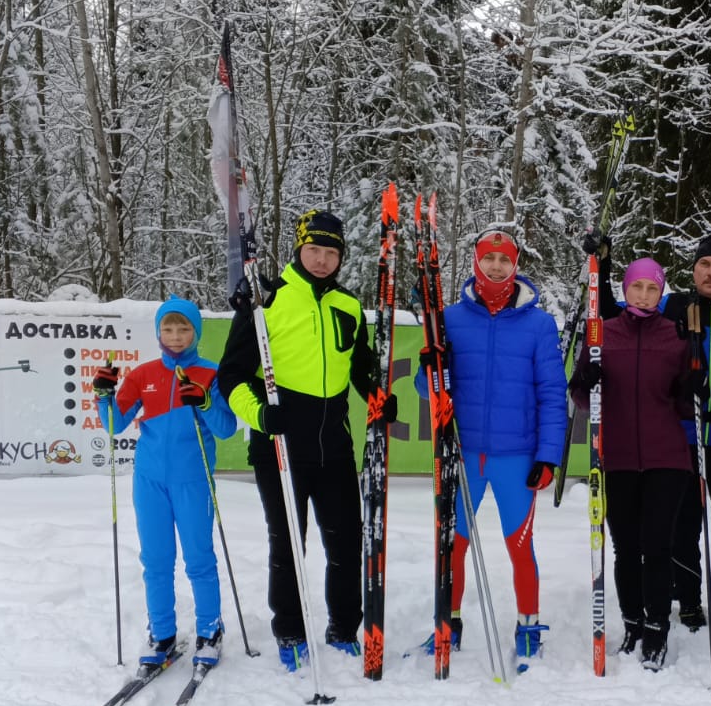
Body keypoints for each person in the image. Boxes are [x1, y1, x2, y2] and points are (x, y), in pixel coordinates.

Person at [218, 209, 383, 670]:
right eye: (315, 249)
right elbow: (230, 377)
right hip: (280, 442)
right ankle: (289, 630)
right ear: (299, 248)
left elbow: (358, 369)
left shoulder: (349, 306)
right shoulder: (266, 300)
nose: (323, 259)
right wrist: (261, 415)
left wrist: (376, 397)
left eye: (332, 252)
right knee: (290, 541)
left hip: (335, 441)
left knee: (346, 540)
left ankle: (344, 625)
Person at [591, 231, 711, 629]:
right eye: (704, 265)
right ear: (692, 270)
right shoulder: (674, 306)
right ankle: (689, 602)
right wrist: (603, 266)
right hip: (684, 436)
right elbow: (611, 315)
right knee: (682, 528)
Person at [414, 227, 566, 665]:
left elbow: (552, 395)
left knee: (520, 544)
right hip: (463, 453)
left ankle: (528, 624)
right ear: (476, 262)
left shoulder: (538, 324)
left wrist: (548, 456)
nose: (496, 266)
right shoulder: (450, 317)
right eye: (488, 259)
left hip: (516, 456)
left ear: (515, 265)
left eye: (504, 260)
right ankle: (450, 622)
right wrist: (429, 367)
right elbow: (431, 390)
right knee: (454, 544)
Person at [569, 256, 696, 671]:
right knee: (626, 548)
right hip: (618, 458)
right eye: (638, 287)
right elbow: (582, 396)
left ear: (661, 293)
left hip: (667, 458)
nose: (644, 295)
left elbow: (682, 405)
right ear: (626, 289)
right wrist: (585, 383)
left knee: (657, 547)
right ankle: (633, 624)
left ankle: (658, 628)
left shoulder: (674, 338)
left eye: (652, 289)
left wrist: (692, 381)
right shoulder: (602, 334)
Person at [93, 298, 236, 666]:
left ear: (196, 332)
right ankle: (162, 633)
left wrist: (204, 402)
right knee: (156, 561)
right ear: (158, 332)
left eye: (183, 328)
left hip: (193, 480)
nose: (175, 336)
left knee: (199, 559)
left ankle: (210, 630)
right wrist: (103, 395)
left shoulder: (210, 373)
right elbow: (114, 425)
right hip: (150, 481)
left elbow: (225, 428)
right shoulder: (143, 375)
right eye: (168, 329)